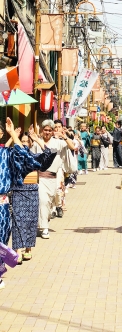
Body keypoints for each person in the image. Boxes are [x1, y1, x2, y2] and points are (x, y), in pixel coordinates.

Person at [0, 118, 53, 288]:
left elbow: (30, 158)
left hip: (2, 204)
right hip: (13, 197)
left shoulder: (8, 155)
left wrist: (15, 136)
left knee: (1, 239)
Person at [11, 127, 54, 263]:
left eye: (26, 141)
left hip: (32, 191)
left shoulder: (34, 157)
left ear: (30, 144)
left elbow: (49, 153)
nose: (23, 143)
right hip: (18, 191)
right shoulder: (14, 157)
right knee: (17, 222)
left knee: (30, 222)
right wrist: (12, 137)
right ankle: (17, 250)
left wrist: (37, 139)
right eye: (21, 141)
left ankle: (28, 249)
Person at [31, 120, 75, 239]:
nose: (47, 132)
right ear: (42, 130)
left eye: (50, 130)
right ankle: (44, 228)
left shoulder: (58, 142)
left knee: (51, 204)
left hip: (55, 178)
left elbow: (73, 147)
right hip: (40, 177)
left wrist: (64, 136)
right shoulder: (36, 143)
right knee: (43, 200)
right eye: (45, 130)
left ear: (52, 131)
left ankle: (46, 219)